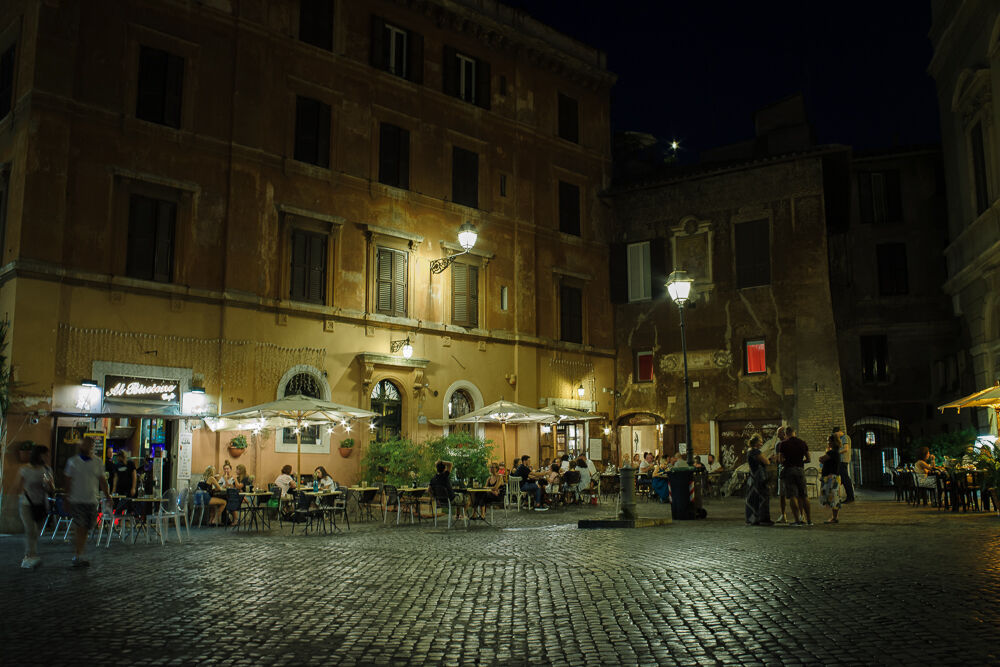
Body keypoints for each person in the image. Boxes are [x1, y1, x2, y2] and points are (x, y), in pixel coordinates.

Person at [64, 436, 112, 567]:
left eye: (91, 445)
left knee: (86, 527)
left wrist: (107, 495)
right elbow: (67, 482)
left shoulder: (97, 462)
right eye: (86, 445)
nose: (88, 447)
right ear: (81, 446)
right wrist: (66, 497)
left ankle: (79, 551)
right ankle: (78, 554)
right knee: (80, 526)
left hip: (91, 500)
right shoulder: (73, 462)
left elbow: (102, 480)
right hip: (77, 500)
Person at [18, 444, 53, 569]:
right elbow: (19, 487)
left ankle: (31, 556)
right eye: (45, 454)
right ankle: (29, 556)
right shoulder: (26, 469)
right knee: (30, 530)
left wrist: (48, 485)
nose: (47, 457)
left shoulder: (47, 469)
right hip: (26, 503)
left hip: (42, 504)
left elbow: (51, 488)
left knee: (36, 532)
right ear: (38, 455)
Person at [777, 427, 812, 526]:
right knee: (804, 495)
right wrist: (800, 462)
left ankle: (797, 520)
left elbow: (780, 460)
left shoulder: (783, 444)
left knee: (793, 496)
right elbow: (808, 459)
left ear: (786, 434)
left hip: (789, 471)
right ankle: (809, 520)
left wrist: (788, 462)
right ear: (794, 433)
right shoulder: (802, 443)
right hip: (800, 470)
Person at [744, 435, 773, 526]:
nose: (761, 443)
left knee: (753, 498)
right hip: (759, 479)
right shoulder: (755, 452)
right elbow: (766, 462)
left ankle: (753, 518)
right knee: (762, 498)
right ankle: (763, 518)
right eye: (760, 442)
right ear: (756, 443)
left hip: (753, 477)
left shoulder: (749, 450)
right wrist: (771, 459)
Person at [820, 434, 842, 524]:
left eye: (828, 441)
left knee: (833, 498)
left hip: (831, 478)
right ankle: (834, 517)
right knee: (833, 497)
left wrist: (825, 453)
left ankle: (834, 517)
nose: (827, 443)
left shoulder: (832, 453)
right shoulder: (835, 452)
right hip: (833, 477)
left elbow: (822, 459)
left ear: (833, 442)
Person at [833, 426, 855, 503]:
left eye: (836, 434)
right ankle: (849, 497)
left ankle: (850, 497)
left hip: (843, 460)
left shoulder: (845, 437)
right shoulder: (841, 438)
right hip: (841, 461)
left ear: (839, 431)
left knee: (845, 479)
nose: (836, 436)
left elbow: (846, 449)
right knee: (844, 479)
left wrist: (836, 453)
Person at [774, 427, 790, 523]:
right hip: (785, 469)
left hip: (784, 469)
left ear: (784, 433)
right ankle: (784, 515)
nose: (777, 435)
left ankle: (784, 515)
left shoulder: (780, 444)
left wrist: (776, 459)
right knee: (783, 494)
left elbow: (779, 459)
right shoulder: (778, 444)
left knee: (783, 494)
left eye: (779, 433)